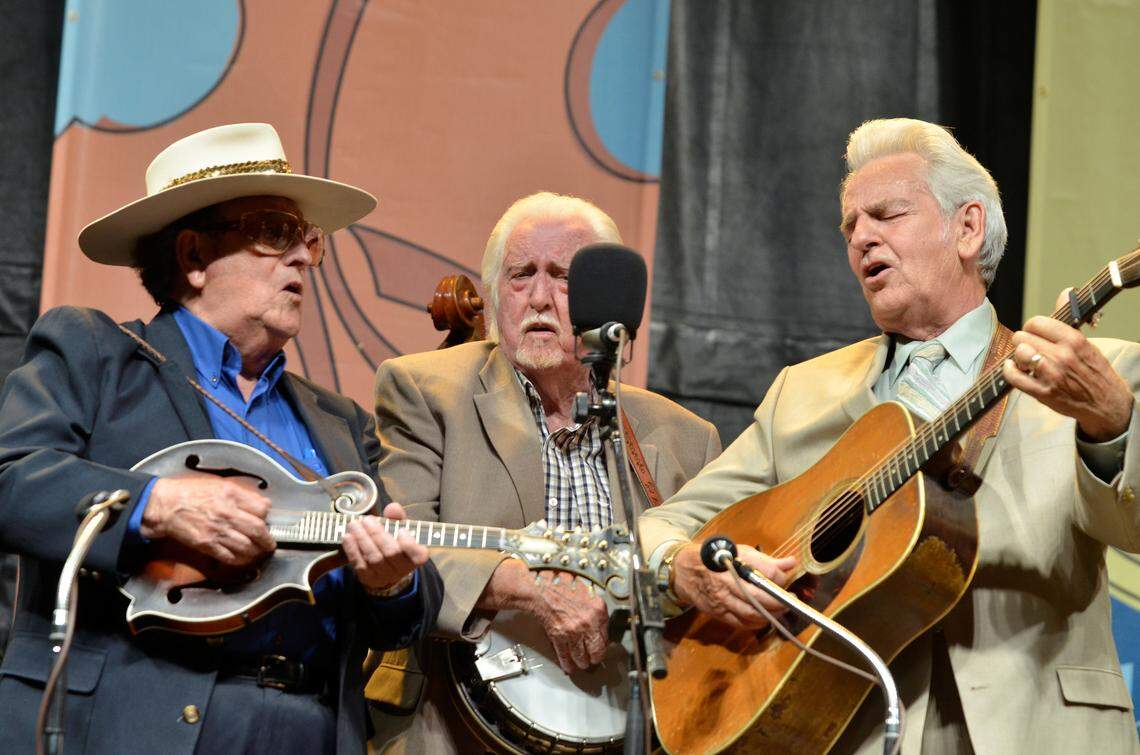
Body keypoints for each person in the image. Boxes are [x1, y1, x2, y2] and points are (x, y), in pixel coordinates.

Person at [640, 118, 1140, 753]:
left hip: (1035, 729)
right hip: (842, 726)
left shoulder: (1095, 374)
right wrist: (685, 568)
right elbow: (666, 524)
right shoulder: (804, 392)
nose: (861, 239)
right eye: (850, 227)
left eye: (886, 214)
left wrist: (1112, 424)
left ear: (968, 228)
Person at [0, 123, 443, 754]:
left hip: (308, 733)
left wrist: (392, 584)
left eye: (306, 242)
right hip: (125, 726)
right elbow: (10, 478)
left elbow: (408, 616)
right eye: (272, 233)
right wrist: (157, 505)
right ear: (194, 257)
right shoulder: (94, 352)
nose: (300, 259)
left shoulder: (339, 420)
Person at [367, 191, 722, 752]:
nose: (537, 297)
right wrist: (531, 589)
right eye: (519, 275)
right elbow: (398, 547)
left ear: (607, 305)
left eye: (562, 277)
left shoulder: (686, 438)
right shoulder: (425, 390)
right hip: (455, 726)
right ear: (493, 295)